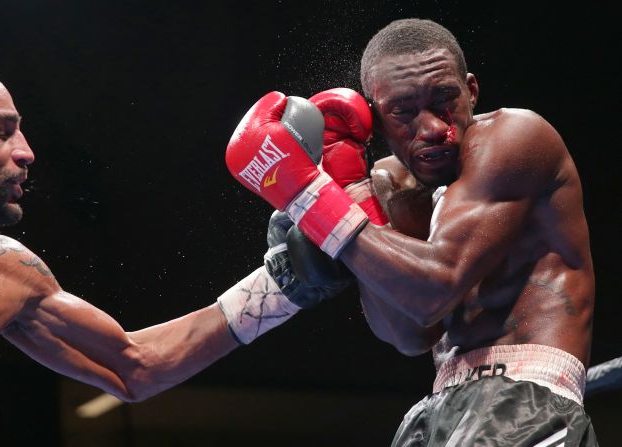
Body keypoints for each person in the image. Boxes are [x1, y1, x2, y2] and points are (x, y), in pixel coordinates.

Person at [0, 58, 346, 446]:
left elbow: (134, 367)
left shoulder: (3, 275)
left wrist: (282, 287)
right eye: (0, 131)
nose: (26, 152)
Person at [226, 18, 597, 446]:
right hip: (438, 408)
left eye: (445, 99)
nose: (435, 128)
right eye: (403, 112)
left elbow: (434, 290)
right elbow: (408, 332)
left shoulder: (516, 137)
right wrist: (349, 192)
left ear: (471, 91)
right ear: (376, 119)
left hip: (527, 397)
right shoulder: (388, 181)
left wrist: (308, 195)